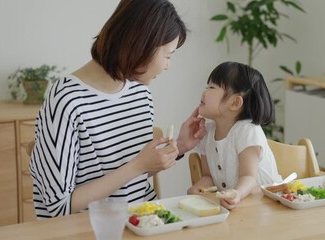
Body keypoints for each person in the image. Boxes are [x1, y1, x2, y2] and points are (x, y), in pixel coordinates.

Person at [30, 0, 205, 219]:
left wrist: (179, 147)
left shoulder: (139, 93)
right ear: (142, 45)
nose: (167, 65)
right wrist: (137, 166)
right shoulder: (66, 100)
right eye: (167, 55)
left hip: (140, 222)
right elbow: (58, 205)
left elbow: (131, 175)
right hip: (88, 230)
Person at [187, 61, 282, 210]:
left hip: (266, 204)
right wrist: (198, 188)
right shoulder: (206, 133)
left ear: (235, 103)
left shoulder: (247, 131)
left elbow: (249, 177)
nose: (204, 93)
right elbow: (208, 176)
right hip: (238, 207)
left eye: (211, 87)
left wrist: (237, 193)